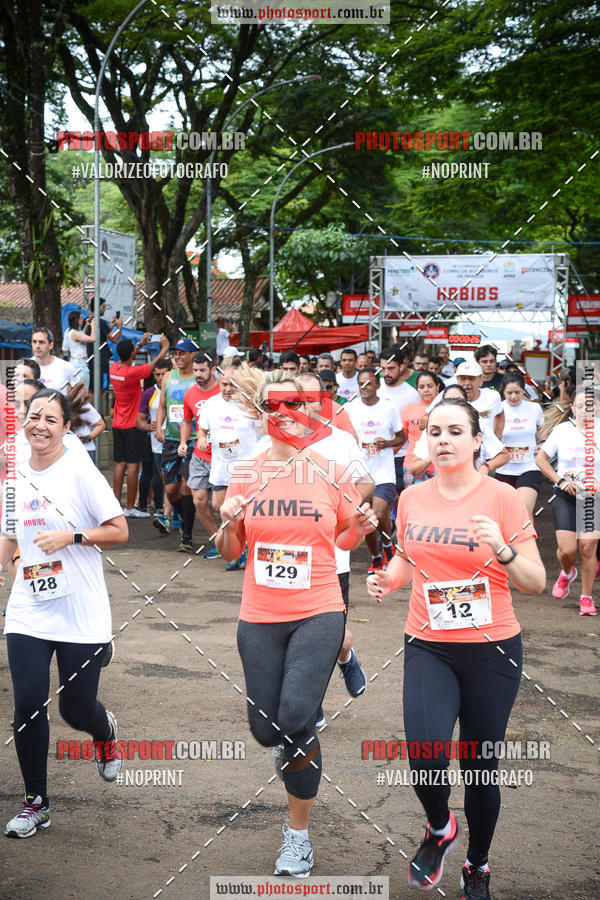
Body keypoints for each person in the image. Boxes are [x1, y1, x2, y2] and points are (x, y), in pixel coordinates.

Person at [367, 396, 545, 900]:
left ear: (475, 441)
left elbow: (534, 580)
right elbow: (407, 560)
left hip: (492, 650)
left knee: (479, 768)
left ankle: (477, 865)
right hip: (429, 644)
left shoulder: (503, 499)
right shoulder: (412, 498)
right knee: (424, 755)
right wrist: (387, 581)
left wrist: (503, 549)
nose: (442, 440)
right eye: (434, 432)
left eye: (454, 432)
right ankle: (440, 827)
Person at [216, 366, 376, 877]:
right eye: (274, 406)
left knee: (295, 715)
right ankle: (289, 749)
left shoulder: (331, 467)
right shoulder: (247, 472)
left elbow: (348, 540)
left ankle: (297, 836)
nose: (286, 415)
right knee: (268, 731)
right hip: (260, 613)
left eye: (296, 405)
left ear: (308, 411)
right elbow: (229, 551)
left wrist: (361, 522)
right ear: (263, 413)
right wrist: (229, 518)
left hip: (319, 609)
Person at [0, 389, 128, 838]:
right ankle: (36, 801)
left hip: (82, 610)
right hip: (30, 609)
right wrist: (15, 570)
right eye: (34, 416)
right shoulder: (12, 476)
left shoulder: (79, 472)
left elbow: (119, 530)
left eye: (51, 419)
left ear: (66, 428)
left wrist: (72, 537)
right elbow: (10, 539)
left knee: (75, 709)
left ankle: (104, 732)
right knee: (29, 702)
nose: (40, 425)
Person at [535, 386, 600, 615]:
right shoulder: (562, 430)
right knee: (567, 550)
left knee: (588, 547)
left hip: (594, 499)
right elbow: (541, 459)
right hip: (566, 495)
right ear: (572, 407)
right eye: (580, 406)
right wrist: (560, 480)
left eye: (590, 406)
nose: (585, 410)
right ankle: (567, 572)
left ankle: (586, 596)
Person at [196, 366, 261, 569]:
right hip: (221, 467)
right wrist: (201, 440)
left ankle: (241, 552)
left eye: (232, 384)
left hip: (245, 470)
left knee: (243, 513)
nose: (227, 388)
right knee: (220, 507)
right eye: (224, 384)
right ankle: (239, 548)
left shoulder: (249, 406)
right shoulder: (211, 404)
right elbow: (202, 430)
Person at [347, 369, 405, 574]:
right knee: (366, 518)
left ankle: (388, 546)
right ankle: (376, 556)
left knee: (379, 513)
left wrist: (387, 443)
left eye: (369, 384)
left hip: (383, 472)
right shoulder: (350, 408)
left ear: (377, 385)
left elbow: (401, 437)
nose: (364, 388)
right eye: (361, 384)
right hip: (361, 474)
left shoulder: (389, 408)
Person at [109, 333, 170, 517]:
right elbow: (156, 365)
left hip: (117, 423)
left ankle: (116, 505)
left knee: (120, 464)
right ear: (131, 355)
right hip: (132, 424)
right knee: (134, 465)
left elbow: (128, 356)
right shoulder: (133, 373)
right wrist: (165, 348)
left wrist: (139, 345)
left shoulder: (114, 368)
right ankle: (130, 509)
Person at [409, 385, 510, 479]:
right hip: (444, 488)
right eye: (448, 400)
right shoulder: (433, 429)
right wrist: (432, 456)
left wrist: (485, 467)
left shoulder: (479, 426)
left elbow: (504, 455)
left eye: (458, 401)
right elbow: (414, 469)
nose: (453, 405)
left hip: (474, 486)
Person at [155, 338, 198, 552]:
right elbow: (162, 405)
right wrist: (158, 426)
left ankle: (187, 537)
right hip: (171, 439)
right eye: (176, 353)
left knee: (187, 484)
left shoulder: (199, 379)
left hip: (193, 439)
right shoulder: (168, 377)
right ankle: (184, 516)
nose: (178, 357)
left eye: (183, 353)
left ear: (192, 355)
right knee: (171, 490)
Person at [180, 349, 221, 555]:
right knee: (199, 501)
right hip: (199, 455)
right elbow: (187, 420)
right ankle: (219, 542)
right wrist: (183, 442)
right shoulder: (190, 394)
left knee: (220, 505)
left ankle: (239, 543)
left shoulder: (226, 390)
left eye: (203, 370)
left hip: (224, 457)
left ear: (213, 368)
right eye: (195, 370)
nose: (198, 374)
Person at [495, 372, 545, 516]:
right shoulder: (498, 410)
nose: (514, 396)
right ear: (503, 392)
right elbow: (493, 436)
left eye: (518, 392)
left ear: (524, 390)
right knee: (505, 514)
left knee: (523, 511)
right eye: (509, 393)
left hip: (529, 466)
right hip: (503, 468)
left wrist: (543, 442)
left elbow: (542, 429)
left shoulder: (534, 408)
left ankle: (529, 538)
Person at [377, 347, 419, 497]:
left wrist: (390, 451)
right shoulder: (375, 387)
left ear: (402, 367)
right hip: (373, 454)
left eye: (391, 368)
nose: (386, 373)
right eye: (383, 368)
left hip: (399, 456)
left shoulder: (412, 395)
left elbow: (409, 430)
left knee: (396, 498)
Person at [137, 359, 173, 525]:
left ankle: (171, 513)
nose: (160, 377)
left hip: (179, 439)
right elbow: (139, 421)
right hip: (157, 444)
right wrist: (149, 427)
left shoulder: (177, 388)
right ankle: (166, 513)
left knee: (176, 481)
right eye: (157, 374)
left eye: (163, 374)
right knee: (164, 479)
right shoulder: (149, 393)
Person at [401, 371, 443, 486]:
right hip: (413, 464)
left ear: (437, 386)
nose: (426, 390)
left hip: (440, 465)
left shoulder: (446, 408)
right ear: (417, 389)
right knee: (416, 502)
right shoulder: (408, 409)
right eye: (421, 387)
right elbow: (402, 438)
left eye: (430, 386)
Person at [455, 361, 504, 438]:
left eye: (471, 379)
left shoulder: (493, 396)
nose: (467, 383)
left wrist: (498, 437)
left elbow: (500, 413)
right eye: (463, 379)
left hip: (485, 448)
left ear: (481, 380)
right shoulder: (448, 396)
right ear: (457, 380)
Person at [86, 298, 123, 397]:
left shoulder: (88, 321)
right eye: (103, 307)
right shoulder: (100, 322)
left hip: (90, 360)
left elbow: (100, 334)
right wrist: (120, 326)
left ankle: (92, 411)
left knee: (91, 389)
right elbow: (114, 339)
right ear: (97, 307)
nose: (105, 309)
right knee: (101, 389)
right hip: (101, 362)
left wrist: (110, 327)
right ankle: (95, 411)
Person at [31, 327, 81, 395]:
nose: (37, 346)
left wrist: (70, 403)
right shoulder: (25, 366)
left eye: (41, 342)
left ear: (51, 345)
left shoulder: (66, 367)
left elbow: (81, 390)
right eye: (34, 342)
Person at [311, 369, 358, 441]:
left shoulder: (344, 404)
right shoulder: (311, 406)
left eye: (329, 387)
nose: (325, 391)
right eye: (322, 387)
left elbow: (352, 435)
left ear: (335, 386)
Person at [62, 310, 96, 391]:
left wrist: (87, 325)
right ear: (77, 320)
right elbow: (92, 339)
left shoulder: (68, 331)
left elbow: (65, 348)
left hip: (73, 362)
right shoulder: (75, 334)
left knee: (76, 391)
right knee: (83, 393)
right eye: (81, 318)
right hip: (81, 364)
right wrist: (93, 326)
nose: (82, 320)